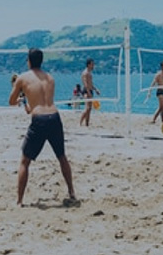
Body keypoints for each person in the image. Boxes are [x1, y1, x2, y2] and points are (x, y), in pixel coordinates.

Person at [8, 48, 76, 207]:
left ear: (29, 61)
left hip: (39, 119)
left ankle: (19, 201)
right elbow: (43, 100)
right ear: (41, 61)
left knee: (25, 161)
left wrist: (21, 97)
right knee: (62, 157)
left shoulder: (23, 78)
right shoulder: (50, 78)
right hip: (54, 117)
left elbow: (12, 101)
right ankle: (72, 192)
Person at [79, 58, 101, 126]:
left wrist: (95, 89)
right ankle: (80, 123)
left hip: (90, 90)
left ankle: (87, 124)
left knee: (89, 109)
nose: (93, 66)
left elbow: (90, 84)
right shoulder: (85, 73)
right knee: (87, 108)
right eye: (92, 64)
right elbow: (85, 84)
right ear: (88, 65)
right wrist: (88, 92)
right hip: (86, 91)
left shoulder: (89, 73)